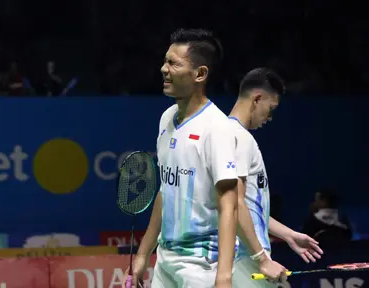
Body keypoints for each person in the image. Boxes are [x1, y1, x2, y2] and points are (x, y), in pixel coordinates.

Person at [122, 28, 238, 288]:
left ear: (200, 74)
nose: (164, 69)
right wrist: (143, 255)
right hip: (166, 259)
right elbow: (166, 190)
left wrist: (224, 276)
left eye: (174, 63)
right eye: (165, 61)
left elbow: (229, 205)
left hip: (202, 265)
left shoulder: (216, 127)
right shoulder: (166, 119)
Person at [229, 68, 324, 287]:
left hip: (248, 258)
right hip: (245, 261)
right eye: (270, 109)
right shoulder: (238, 138)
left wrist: (289, 234)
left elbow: (252, 207)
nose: (270, 118)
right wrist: (261, 258)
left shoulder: (232, 135)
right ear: (257, 98)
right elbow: (235, 203)